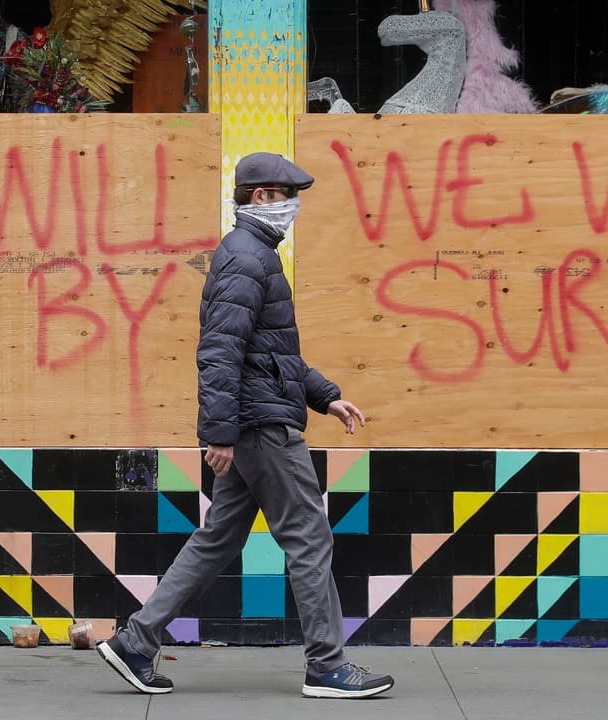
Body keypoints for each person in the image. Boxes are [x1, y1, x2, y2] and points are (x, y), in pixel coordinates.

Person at [96, 153, 394, 700]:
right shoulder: (245, 257)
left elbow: (269, 351)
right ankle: (327, 666)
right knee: (309, 537)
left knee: (217, 539)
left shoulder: (253, 255)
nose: (294, 206)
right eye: (288, 195)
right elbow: (219, 351)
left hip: (252, 420)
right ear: (261, 197)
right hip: (261, 427)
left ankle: (136, 642)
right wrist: (219, 433)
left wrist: (325, 396)